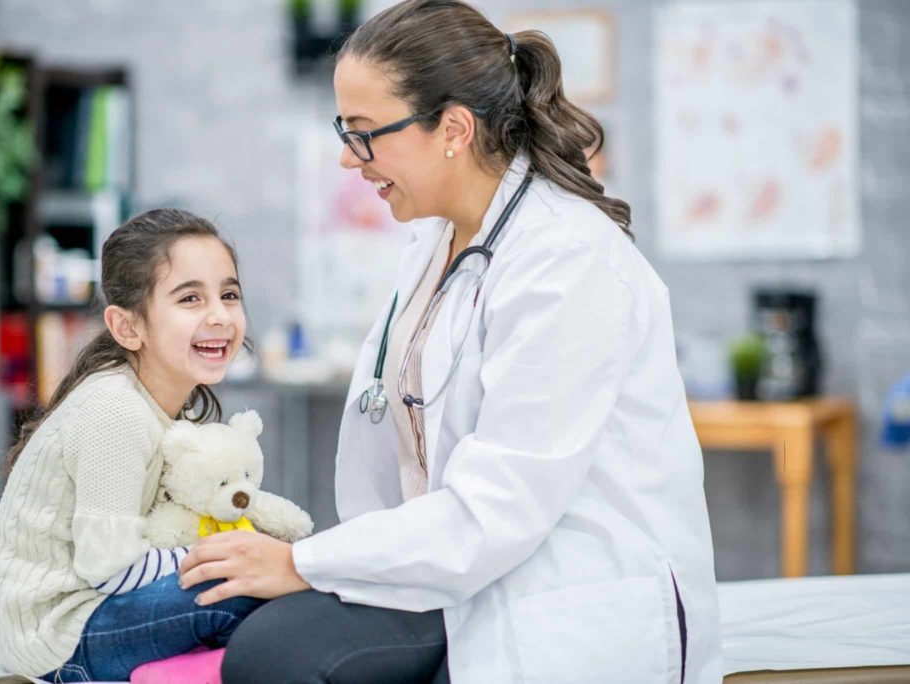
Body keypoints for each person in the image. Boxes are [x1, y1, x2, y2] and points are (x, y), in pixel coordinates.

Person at [180, 1, 722, 681]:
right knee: (257, 634)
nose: (350, 160)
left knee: (275, 656)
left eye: (366, 133)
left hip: (565, 593)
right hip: (465, 572)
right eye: (344, 131)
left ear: (454, 130)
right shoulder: (436, 241)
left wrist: (302, 564)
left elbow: (499, 507)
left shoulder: (569, 260)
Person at [0, 209, 264, 682]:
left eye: (229, 294)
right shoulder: (115, 410)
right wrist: (222, 549)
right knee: (241, 591)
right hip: (60, 634)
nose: (219, 315)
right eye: (190, 298)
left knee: (272, 580)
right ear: (127, 327)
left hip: (103, 607)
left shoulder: (165, 404)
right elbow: (109, 569)